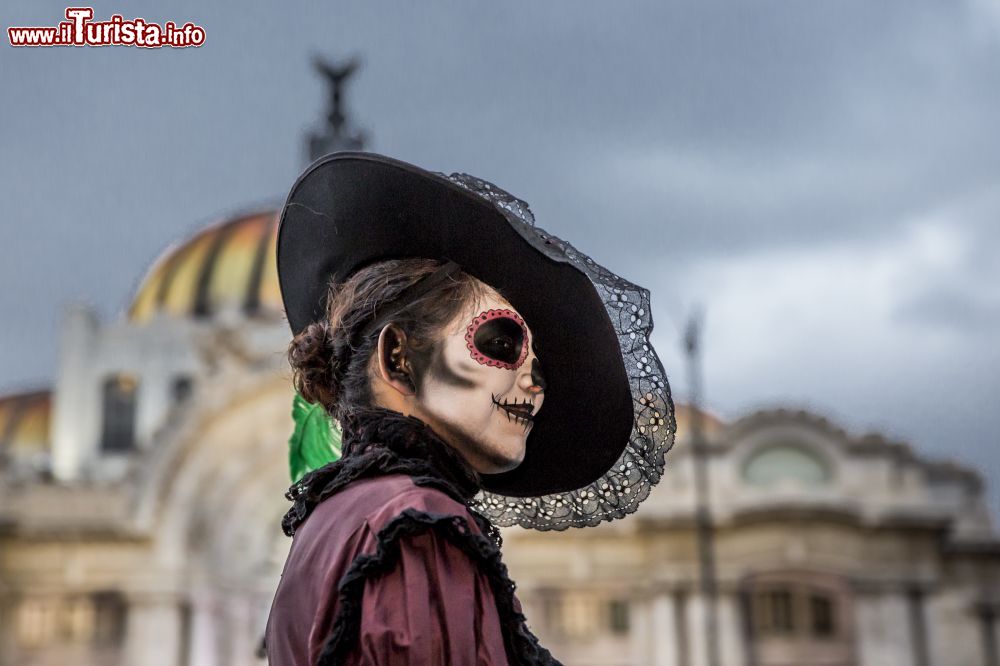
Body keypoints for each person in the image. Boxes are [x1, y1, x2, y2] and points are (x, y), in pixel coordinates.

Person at [265, 153, 675, 665]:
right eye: (501, 343)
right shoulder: (415, 526)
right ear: (398, 358)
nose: (532, 382)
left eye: (540, 370)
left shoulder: (330, 525)